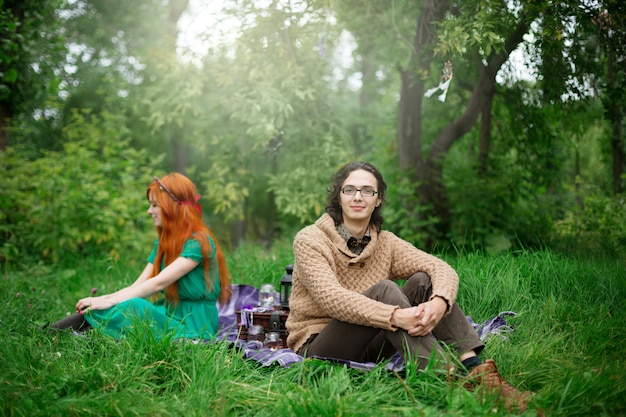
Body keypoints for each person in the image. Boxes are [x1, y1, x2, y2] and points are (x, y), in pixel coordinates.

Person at [285, 162, 531, 412]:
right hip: (321, 345)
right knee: (386, 290)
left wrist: (440, 302)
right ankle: (451, 378)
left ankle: (476, 369)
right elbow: (331, 299)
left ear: (378, 199)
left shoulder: (385, 242)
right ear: (339, 196)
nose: (358, 197)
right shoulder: (310, 240)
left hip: (372, 338)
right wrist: (394, 315)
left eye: (367, 191)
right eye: (350, 190)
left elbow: (440, 268)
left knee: (425, 281)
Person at [46, 173, 232, 341]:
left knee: (135, 306)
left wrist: (109, 301)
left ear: (173, 207)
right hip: (170, 312)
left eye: (154, 205)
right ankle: (54, 333)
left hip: (195, 323)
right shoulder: (164, 242)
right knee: (128, 304)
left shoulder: (198, 241)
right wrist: (104, 298)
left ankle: (57, 334)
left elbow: (157, 283)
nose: (149, 211)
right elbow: (138, 284)